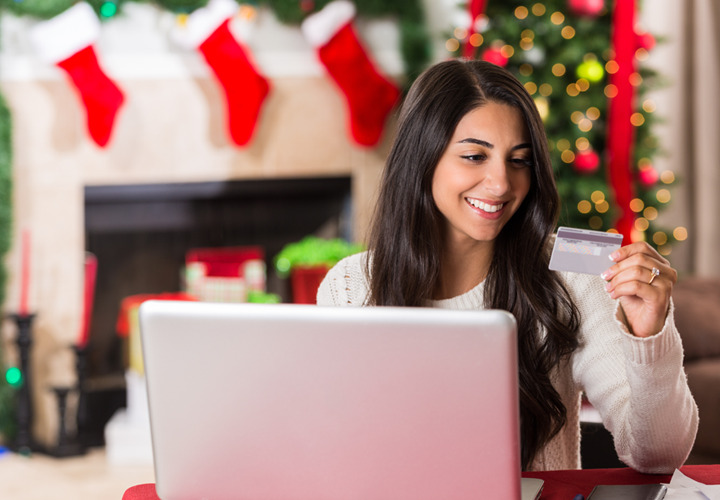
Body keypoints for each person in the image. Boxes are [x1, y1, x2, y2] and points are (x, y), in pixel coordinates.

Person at [316, 59, 698, 472]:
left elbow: (658, 455)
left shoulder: (572, 273)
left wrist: (650, 335)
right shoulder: (350, 286)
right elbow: (336, 450)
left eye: (519, 160)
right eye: (474, 156)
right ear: (422, 159)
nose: (501, 184)